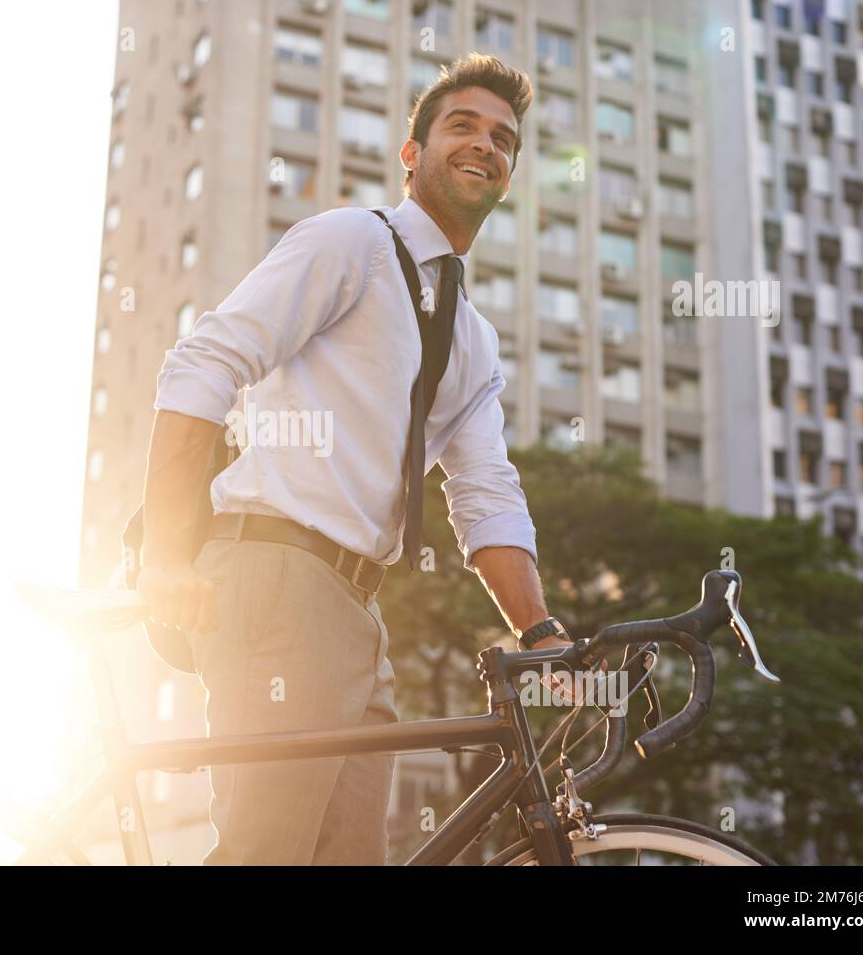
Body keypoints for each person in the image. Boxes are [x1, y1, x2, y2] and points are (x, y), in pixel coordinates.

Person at [137, 53, 581, 865]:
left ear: (510, 173)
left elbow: (484, 493)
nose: (485, 144)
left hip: (360, 609)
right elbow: (202, 363)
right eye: (463, 126)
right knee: (265, 852)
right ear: (412, 154)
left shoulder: (473, 340)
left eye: (504, 138)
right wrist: (166, 553)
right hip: (279, 571)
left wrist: (542, 631)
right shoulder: (354, 242)